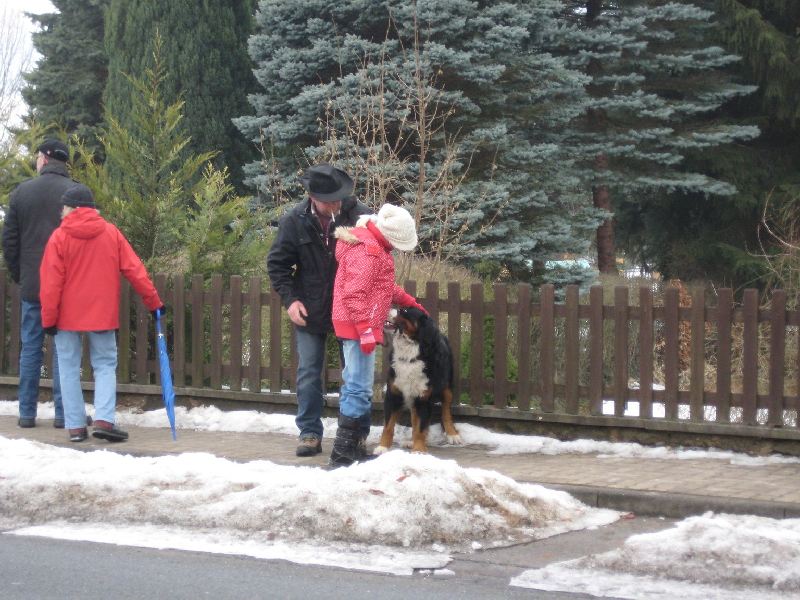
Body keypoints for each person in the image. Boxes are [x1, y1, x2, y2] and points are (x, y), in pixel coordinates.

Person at [39, 184, 165, 443]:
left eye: (63, 206)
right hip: (101, 313)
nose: (60, 211)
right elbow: (135, 270)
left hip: (65, 316)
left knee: (68, 367)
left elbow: (50, 283)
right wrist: (154, 303)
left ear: (71, 208)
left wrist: (48, 319)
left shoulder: (59, 237)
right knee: (105, 365)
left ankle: (75, 427)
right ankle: (104, 420)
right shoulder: (110, 233)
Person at [267, 163, 372, 457]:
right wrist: (291, 300)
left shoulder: (361, 216)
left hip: (350, 307)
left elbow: (377, 258)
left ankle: (356, 435)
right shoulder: (294, 221)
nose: (336, 204)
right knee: (309, 372)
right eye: (330, 200)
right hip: (310, 306)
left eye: (340, 198)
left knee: (355, 375)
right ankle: (310, 432)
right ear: (313, 197)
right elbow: (277, 265)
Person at [329, 203, 426, 467]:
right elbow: (354, 294)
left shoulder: (375, 249)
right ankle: (342, 453)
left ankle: (355, 446)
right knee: (358, 389)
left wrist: (410, 302)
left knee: (354, 384)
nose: (397, 248)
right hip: (357, 327)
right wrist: (364, 331)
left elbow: (383, 286)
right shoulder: (368, 252)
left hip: (359, 325)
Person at [2, 139, 74, 429]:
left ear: (45, 158)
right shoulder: (74, 192)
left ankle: (27, 414)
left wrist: (21, 274)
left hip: (32, 284)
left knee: (30, 347)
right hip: (65, 286)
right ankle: (62, 414)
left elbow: (9, 240)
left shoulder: (22, 192)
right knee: (62, 350)